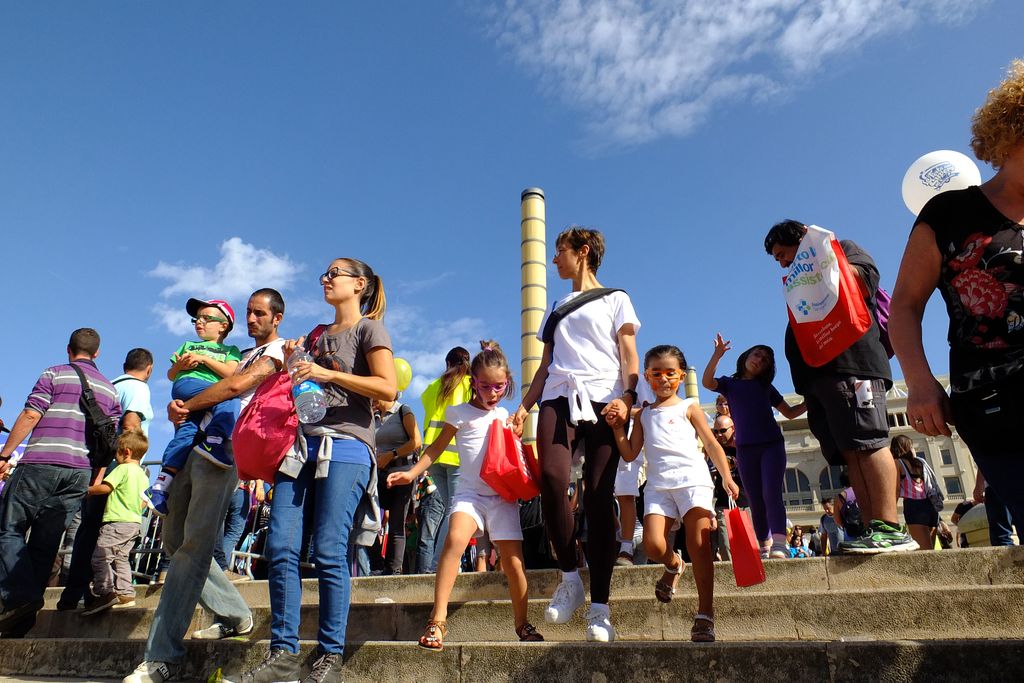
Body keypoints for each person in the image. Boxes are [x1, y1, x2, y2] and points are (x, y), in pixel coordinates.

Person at [224, 261, 396, 683]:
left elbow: (388, 388)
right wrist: (293, 361)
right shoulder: (316, 334)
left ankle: (329, 656)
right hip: (300, 444)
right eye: (324, 272)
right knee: (280, 546)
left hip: (348, 446)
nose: (326, 277)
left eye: (335, 273)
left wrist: (324, 371)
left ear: (360, 285)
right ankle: (283, 653)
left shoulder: (369, 330)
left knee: (329, 550)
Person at [889, 59, 1024, 539]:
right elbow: (904, 305)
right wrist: (920, 384)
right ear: (1011, 132)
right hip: (996, 400)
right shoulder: (951, 212)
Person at [123, 289, 286, 683]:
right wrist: (179, 406)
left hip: (224, 449)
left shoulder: (278, 350)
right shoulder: (237, 351)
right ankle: (235, 613)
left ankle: (162, 656)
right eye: (248, 311)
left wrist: (187, 405)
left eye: (259, 312)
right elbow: (185, 381)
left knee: (193, 546)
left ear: (277, 317)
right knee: (174, 541)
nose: (252, 318)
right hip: (192, 442)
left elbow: (235, 388)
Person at [513, 226, 640, 643]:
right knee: (551, 478)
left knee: (600, 494)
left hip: (605, 397)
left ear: (582, 252)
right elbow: (546, 363)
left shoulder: (616, 298)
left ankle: (601, 609)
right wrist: (525, 405)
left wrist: (628, 395)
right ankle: (570, 576)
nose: (554, 260)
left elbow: (627, 353)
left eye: (560, 252)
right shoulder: (556, 305)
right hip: (558, 395)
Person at [765, 220, 916, 554]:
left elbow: (864, 282)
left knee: (870, 442)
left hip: (854, 365)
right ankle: (871, 526)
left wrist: (818, 253)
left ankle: (890, 526)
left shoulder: (840, 249)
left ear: (799, 239)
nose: (781, 262)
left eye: (783, 253)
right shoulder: (794, 278)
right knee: (851, 452)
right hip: (821, 377)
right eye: (776, 259)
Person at [388, 341, 544, 650]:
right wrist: (412, 471)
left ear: (507, 384)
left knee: (513, 562)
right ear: (473, 382)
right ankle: (438, 620)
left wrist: (516, 427)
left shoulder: (505, 416)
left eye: (499, 386)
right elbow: (435, 448)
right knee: (454, 541)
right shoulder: (458, 412)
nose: (493, 392)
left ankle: (522, 622)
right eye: (485, 386)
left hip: (501, 497)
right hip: (470, 493)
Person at [610, 344, 738, 642]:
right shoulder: (642, 414)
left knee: (699, 544)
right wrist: (619, 428)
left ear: (681, 375)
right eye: (656, 374)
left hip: (694, 482)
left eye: (670, 373)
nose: (664, 379)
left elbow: (711, 444)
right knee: (654, 546)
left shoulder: (689, 406)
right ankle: (673, 564)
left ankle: (705, 614)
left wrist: (728, 479)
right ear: (647, 376)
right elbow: (629, 454)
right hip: (658, 486)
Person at [0, 328, 122, 635]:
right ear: (97, 353)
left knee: (9, 528)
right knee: (46, 542)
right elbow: (110, 439)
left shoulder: (54, 373)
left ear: (69, 350)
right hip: (79, 472)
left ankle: (20, 595)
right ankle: (21, 623)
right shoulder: (109, 390)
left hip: (41, 461)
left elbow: (31, 413)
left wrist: (6, 453)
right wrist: (95, 474)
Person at [58, 347, 153, 611]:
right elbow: (131, 423)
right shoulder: (139, 388)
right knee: (102, 543)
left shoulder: (109, 386)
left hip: (97, 466)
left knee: (88, 534)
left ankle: (75, 593)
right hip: (113, 470)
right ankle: (99, 593)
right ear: (149, 369)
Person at [702, 336, 806, 559]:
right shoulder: (730, 384)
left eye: (766, 359)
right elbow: (707, 382)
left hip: (771, 445)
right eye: (757, 354)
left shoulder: (765, 387)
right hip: (746, 449)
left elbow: (790, 413)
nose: (760, 360)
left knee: (771, 493)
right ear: (747, 355)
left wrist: (812, 401)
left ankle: (780, 542)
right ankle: (765, 545)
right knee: (755, 498)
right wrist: (717, 355)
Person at [148, 298, 241, 515]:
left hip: (198, 399)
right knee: (229, 399)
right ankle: (215, 441)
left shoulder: (231, 350)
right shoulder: (188, 345)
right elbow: (171, 375)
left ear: (223, 325)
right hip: (190, 385)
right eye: (196, 319)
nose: (199, 322)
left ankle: (160, 485)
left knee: (186, 432)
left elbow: (230, 372)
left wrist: (204, 359)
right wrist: (179, 366)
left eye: (206, 318)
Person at [82, 429, 150, 615]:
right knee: (121, 558)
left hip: (116, 521)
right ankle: (126, 593)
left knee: (100, 557)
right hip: (134, 523)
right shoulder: (143, 475)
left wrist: (87, 490)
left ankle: (105, 592)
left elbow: (106, 487)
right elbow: (145, 501)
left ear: (126, 452)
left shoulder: (122, 469)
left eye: (116, 453)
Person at [417, 347, 471, 573]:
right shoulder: (470, 384)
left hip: (433, 457)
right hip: (458, 455)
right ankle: (443, 564)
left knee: (451, 511)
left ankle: (441, 563)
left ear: (447, 362)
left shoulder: (432, 387)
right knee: (454, 512)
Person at [374, 396, 422, 575]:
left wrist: (392, 454)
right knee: (367, 518)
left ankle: (393, 570)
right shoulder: (374, 416)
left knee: (396, 523)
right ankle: (378, 564)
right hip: (379, 475)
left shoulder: (403, 410)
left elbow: (417, 441)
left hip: (402, 472)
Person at [708, 414, 747, 561]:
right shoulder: (713, 450)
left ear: (733, 429)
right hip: (723, 504)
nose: (719, 435)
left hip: (745, 503)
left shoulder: (744, 447)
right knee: (725, 546)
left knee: (749, 544)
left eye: (722, 430)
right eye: (715, 431)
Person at [891, 435, 940, 551]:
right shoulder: (920, 462)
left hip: (914, 506)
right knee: (930, 550)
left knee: (923, 553)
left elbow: (896, 489)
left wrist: (892, 511)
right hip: (930, 505)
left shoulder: (898, 463)